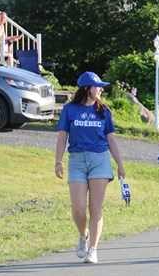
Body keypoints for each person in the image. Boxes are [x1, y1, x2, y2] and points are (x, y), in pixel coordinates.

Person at [54, 71, 126, 264]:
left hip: (99, 160)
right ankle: (82, 235)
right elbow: (62, 137)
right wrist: (58, 162)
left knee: (95, 207)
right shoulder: (70, 110)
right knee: (78, 209)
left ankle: (93, 249)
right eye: (98, 86)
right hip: (76, 160)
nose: (101, 89)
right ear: (87, 88)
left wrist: (120, 164)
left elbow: (111, 139)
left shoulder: (104, 110)